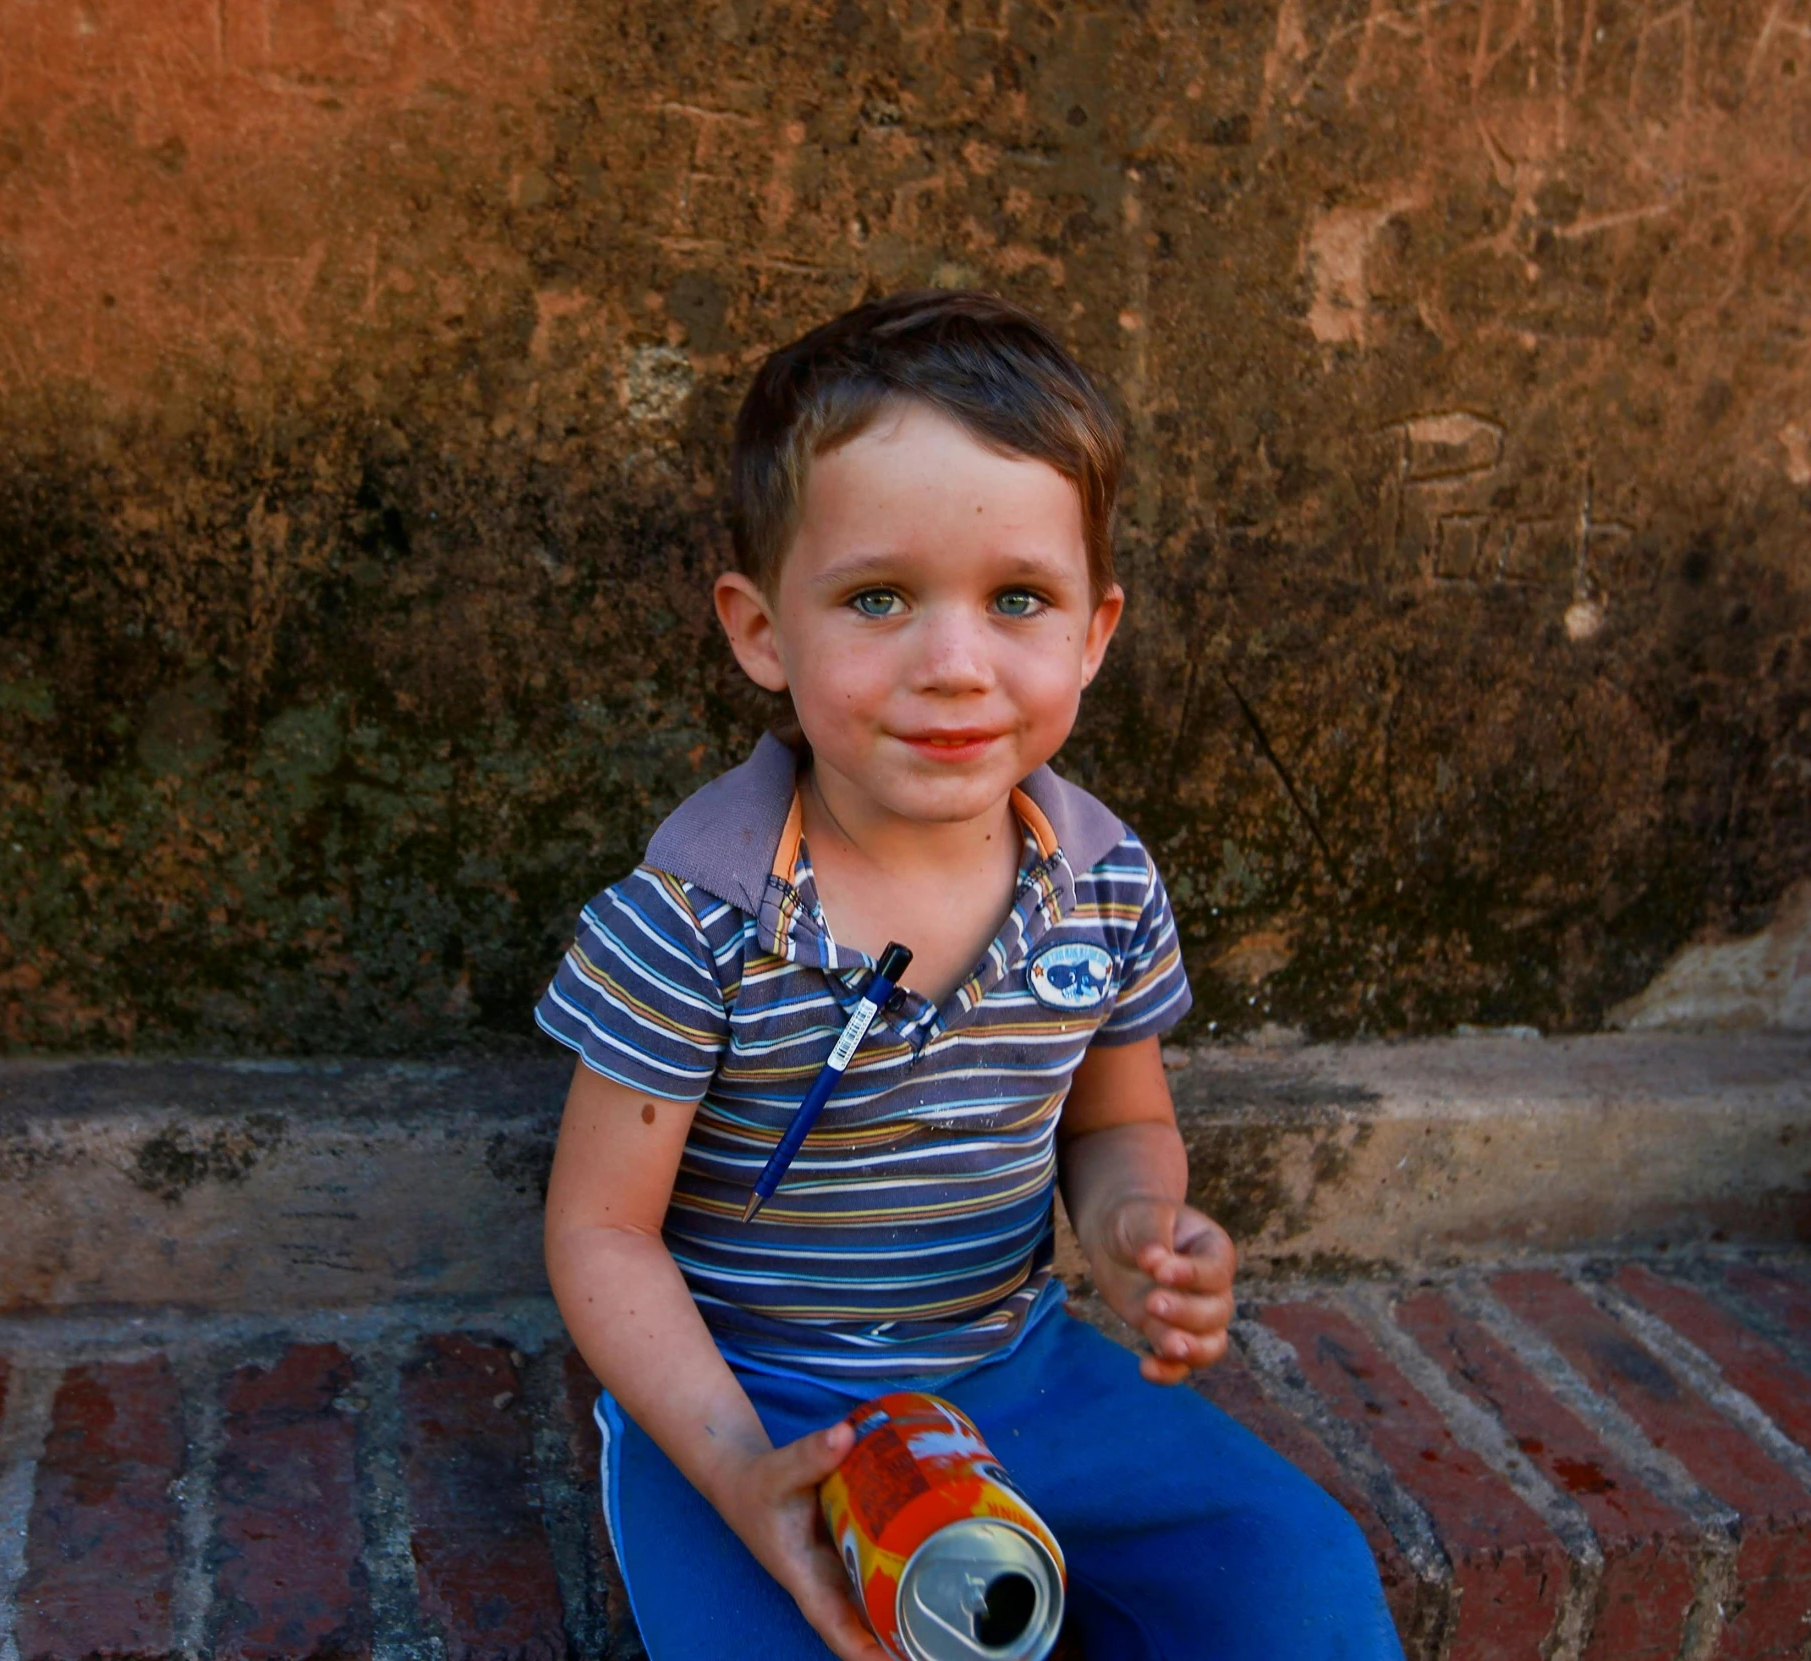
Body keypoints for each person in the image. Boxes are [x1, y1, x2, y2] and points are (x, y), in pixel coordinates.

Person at [536, 291, 1400, 1661]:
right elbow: (600, 1233)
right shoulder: (693, 924)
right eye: (877, 597)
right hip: (759, 1408)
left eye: (1017, 600)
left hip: (1024, 1375)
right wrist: (731, 1468)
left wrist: (1136, 1236)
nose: (954, 665)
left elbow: (1116, 1124)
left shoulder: (1102, 884)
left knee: (1293, 1577)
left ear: (1092, 631)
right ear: (762, 631)